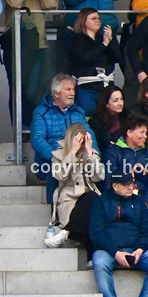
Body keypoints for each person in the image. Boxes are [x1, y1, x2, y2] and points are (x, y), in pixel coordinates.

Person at [89, 171, 148, 297]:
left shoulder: (139, 202)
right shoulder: (101, 202)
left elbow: (147, 231)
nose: (131, 187)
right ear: (115, 186)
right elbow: (97, 234)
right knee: (99, 261)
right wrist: (115, 253)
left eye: (132, 183)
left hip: (136, 249)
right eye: (126, 184)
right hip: (110, 251)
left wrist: (140, 249)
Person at [3, 0, 57, 120]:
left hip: (39, 47)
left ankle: (38, 125)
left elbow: (51, 4)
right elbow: (15, 2)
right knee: (20, 89)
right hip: (18, 48)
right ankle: (21, 128)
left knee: (42, 88)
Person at [31, 74, 95, 203]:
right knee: (55, 172)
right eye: (68, 89)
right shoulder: (41, 112)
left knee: (97, 169)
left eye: (73, 89)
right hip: (50, 161)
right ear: (56, 94)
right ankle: (53, 213)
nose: (72, 93)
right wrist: (57, 157)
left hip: (77, 159)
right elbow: (37, 139)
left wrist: (94, 153)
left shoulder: (78, 112)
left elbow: (90, 135)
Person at [100, 112, 148, 236]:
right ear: (129, 133)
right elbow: (109, 180)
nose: (145, 136)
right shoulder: (113, 152)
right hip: (120, 199)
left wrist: (146, 202)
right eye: (141, 132)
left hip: (142, 198)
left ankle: (143, 250)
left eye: (146, 133)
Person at [45, 122, 103, 250]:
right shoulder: (58, 155)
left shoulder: (91, 154)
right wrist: (72, 153)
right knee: (91, 211)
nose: (81, 145)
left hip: (90, 197)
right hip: (69, 200)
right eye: (78, 141)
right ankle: (91, 256)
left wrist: (89, 153)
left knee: (92, 199)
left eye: (83, 141)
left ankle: (67, 232)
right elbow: (60, 175)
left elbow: (99, 177)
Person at [67, 8, 120, 116]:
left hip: (106, 87)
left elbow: (118, 58)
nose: (98, 21)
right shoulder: (76, 40)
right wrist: (104, 45)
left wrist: (111, 40)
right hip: (87, 88)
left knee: (108, 118)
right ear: (83, 21)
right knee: (89, 115)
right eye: (93, 18)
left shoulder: (104, 38)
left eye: (99, 18)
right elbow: (84, 58)